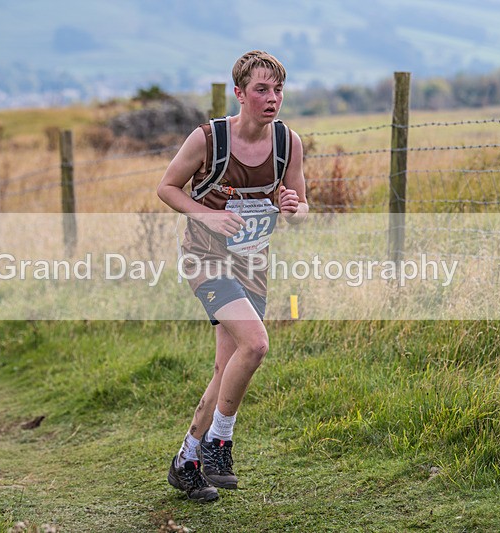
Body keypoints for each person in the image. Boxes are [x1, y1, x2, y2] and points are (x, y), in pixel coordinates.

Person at [157, 50, 308, 502]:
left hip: (253, 264)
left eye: (278, 89)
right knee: (257, 343)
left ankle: (186, 461)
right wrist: (207, 216)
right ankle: (219, 443)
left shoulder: (288, 144)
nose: (272, 98)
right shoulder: (209, 139)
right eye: (261, 89)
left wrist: (293, 209)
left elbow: (301, 207)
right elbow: (166, 188)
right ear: (239, 93)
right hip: (206, 259)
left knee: (228, 365)